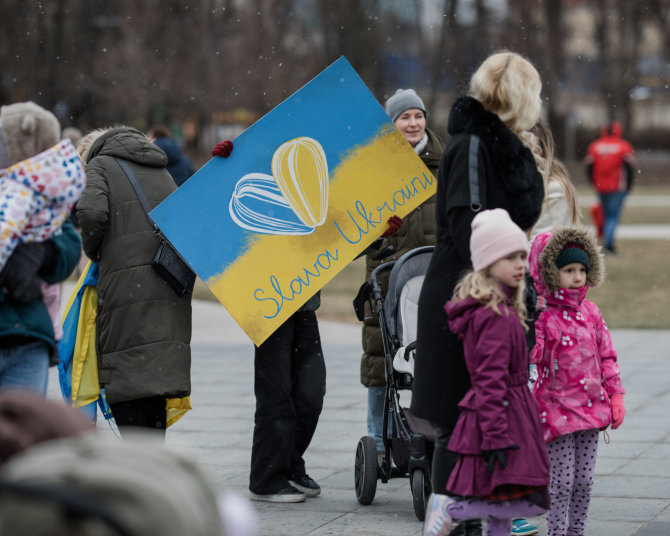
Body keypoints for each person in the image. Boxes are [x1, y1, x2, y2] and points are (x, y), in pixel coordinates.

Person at [411, 51, 545, 536]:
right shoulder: (470, 145)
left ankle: (483, 518)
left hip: (493, 296)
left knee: (489, 416)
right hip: (465, 297)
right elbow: (471, 227)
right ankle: (451, 522)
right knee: (460, 420)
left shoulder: (501, 145)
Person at [211, 139, 326, 503]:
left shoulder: (308, 190)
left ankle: (290, 465)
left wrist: (377, 233)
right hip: (270, 303)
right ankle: (266, 477)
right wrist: (221, 169)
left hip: (304, 302)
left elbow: (338, 229)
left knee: (311, 391)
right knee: (276, 392)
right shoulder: (257, 189)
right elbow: (214, 215)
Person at [426, 209, 550, 536]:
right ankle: (451, 509)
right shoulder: (494, 315)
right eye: (510, 257)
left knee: (505, 499)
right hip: (501, 416)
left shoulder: (505, 306)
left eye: (522, 255)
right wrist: (496, 436)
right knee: (531, 502)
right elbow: (488, 380)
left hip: (512, 411)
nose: (520, 264)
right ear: (488, 263)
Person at [75, 126, 192, 436]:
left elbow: (90, 213)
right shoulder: (161, 168)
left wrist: (96, 250)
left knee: (126, 377)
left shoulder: (99, 165)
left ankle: (141, 462)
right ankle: (153, 457)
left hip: (126, 286)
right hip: (167, 282)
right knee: (154, 380)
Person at [360, 88, 445, 459]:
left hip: (433, 277)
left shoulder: (444, 164)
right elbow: (353, 228)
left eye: (418, 116)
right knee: (382, 363)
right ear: (391, 124)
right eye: (404, 117)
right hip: (386, 278)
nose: (413, 123)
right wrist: (379, 234)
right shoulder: (374, 166)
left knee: (432, 361)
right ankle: (379, 440)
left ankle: (430, 434)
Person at [528, 225, 625, 536]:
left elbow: (607, 357)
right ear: (550, 272)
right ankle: (556, 532)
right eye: (569, 270)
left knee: (583, 481)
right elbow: (532, 358)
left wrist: (616, 395)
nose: (578, 276)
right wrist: (530, 326)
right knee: (561, 481)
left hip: (590, 409)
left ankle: (576, 531)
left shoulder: (591, 313)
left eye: (582, 269)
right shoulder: (543, 317)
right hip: (555, 411)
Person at [0, 101, 82, 394]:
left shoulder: (37, 190)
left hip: (28, 336)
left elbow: (70, 244)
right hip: (21, 328)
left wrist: (40, 252)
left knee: (24, 437)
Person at [584, 121, 635, 254]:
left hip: (601, 186)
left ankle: (605, 242)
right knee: (613, 216)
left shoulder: (595, 146)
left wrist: (593, 182)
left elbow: (589, 167)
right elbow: (630, 168)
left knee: (605, 215)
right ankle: (609, 245)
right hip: (617, 187)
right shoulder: (623, 147)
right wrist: (628, 186)